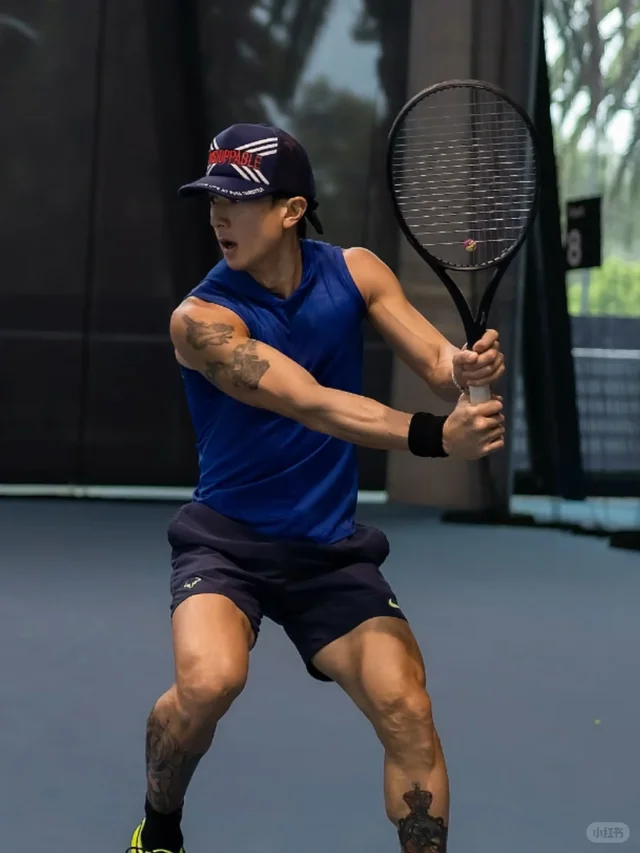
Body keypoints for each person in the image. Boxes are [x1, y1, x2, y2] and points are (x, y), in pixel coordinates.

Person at [128, 123, 506, 853]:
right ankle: (160, 827)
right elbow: (312, 403)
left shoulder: (357, 272)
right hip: (227, 544)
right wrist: (437, 436)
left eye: (238, 201)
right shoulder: (200, 321)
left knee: (408, 708)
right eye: (212, 200)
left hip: (328, 551)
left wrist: (465, 368)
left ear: (292, 210)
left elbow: (437, 363)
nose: (218, 217)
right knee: (209, 683)